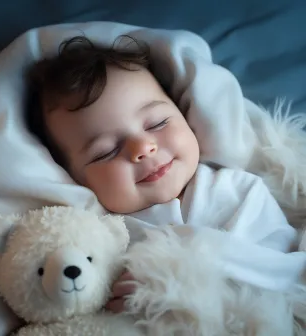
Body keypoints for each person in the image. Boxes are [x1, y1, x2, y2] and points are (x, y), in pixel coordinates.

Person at [26, 35, 300, 314]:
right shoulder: (104, 239)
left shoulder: (237, 190)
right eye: (106, 152)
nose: (143, 147)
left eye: (157, 123)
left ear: (184, 115)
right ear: (74, 179)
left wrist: (191, 262)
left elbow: (288, 272)